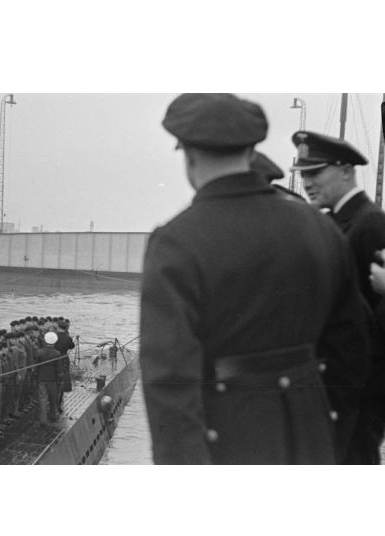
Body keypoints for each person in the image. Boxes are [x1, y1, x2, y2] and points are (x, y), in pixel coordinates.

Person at [140, 93, 370, 465]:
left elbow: (169, 384)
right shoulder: (320, 229)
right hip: (313, 440)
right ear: (251, 151)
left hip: (227, 444)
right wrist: (330, 441)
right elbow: (352, 353)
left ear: (189, 153)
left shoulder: (176, 241)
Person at [291, 130, 385, 464]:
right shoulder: (340, 222)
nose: (307, 182)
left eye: (315, 172)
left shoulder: (370, 223)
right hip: (341, 386)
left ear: (346, 170)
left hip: (361, 390)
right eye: (303, 174)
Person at [36, 331, 61, 427]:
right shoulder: (57, 353)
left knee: (42, 399)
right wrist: (60, 379)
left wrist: (36, 377)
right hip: (52, 380)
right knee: (53, 398)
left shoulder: (40, 353)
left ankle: (43, 419)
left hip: (41, 379)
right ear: (54, 342)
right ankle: (53, 416)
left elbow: (36, 367)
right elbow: (58, 368)